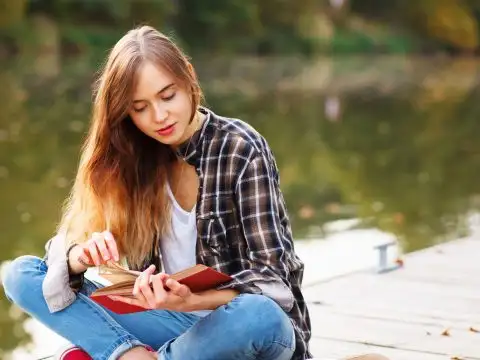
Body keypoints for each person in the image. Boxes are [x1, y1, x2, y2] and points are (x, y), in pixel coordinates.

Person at [2, 26, 389, 360]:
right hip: (170, 330)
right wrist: (77, 258)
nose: (159, 116)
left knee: (258, 314)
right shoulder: (133, 161)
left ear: (189, 78)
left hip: (244, 333)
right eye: (140, 108)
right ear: (127, 115)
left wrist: (190, 299)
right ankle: (129, 353)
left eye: (167, 96)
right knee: (20, 274)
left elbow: (275, 287)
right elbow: (57, 260)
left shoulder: (240, 148)